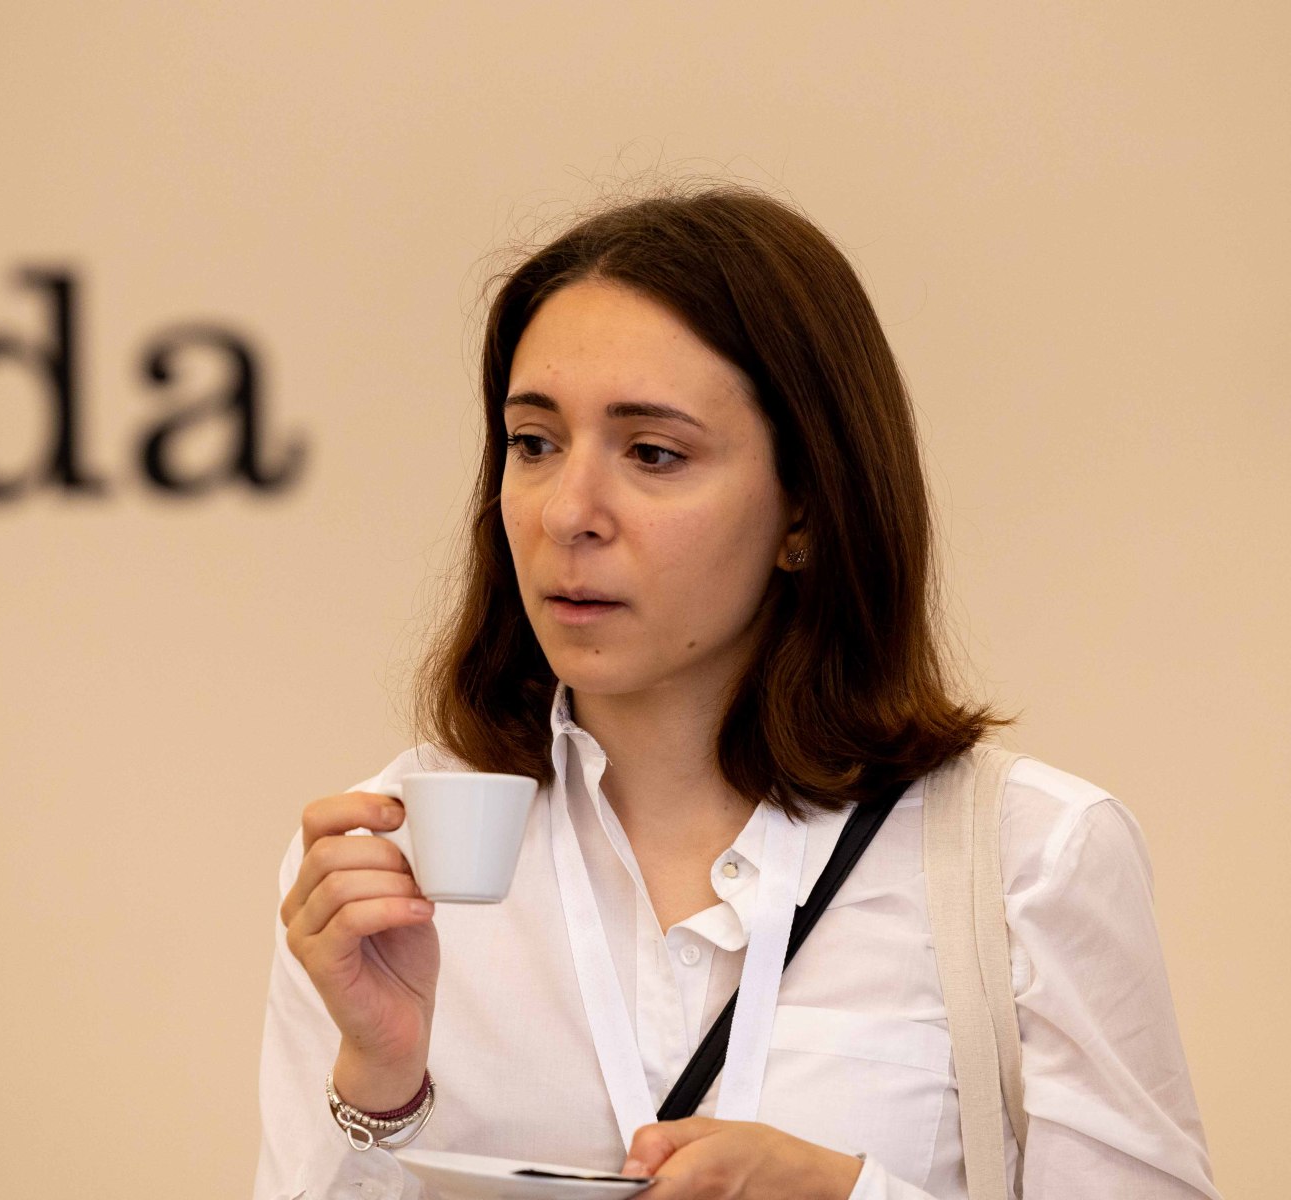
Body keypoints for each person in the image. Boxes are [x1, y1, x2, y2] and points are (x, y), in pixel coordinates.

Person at [253, 186, 1220, 1199]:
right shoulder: (385, 862)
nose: (568, 512)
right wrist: (381, 1082)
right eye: (534, 443)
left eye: (653, 454)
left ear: (806, 507)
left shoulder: (1028, 857)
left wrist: (851, 1195)